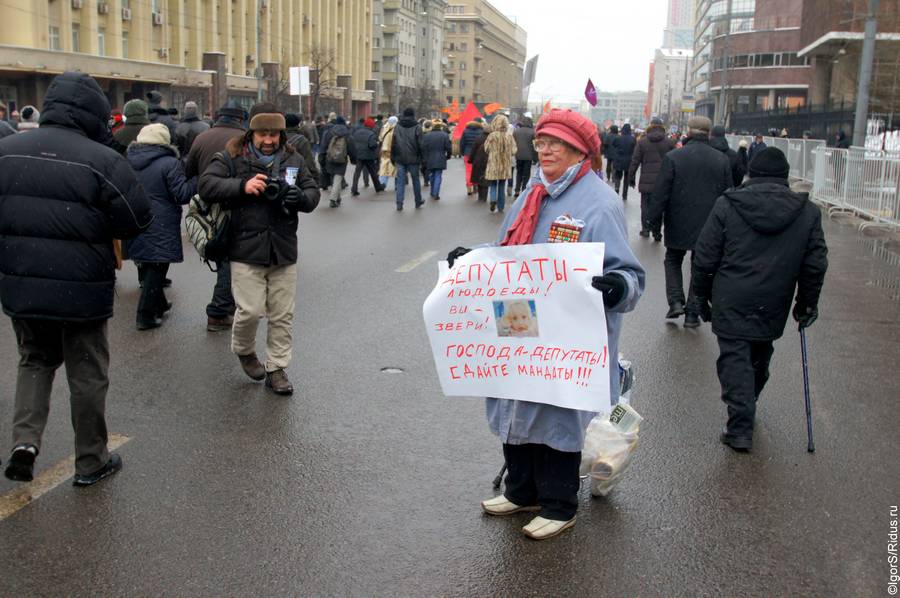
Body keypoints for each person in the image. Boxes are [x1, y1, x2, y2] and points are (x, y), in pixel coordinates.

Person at [446, 109, 644, 540]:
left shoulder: (599, 202)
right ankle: (522, 491)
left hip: (567, 334)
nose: (545, 149)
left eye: (556, 143)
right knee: (516, 400)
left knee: (556, 414)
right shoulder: (533, 191)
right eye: (541, 142)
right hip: (519, 321)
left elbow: (631, 276)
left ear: (580, 151)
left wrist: (616, 286)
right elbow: (508, 251)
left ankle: (559, 503)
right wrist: (473, 256)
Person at [0, 72, 152, 485]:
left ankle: (25, 442)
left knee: (34, 359)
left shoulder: (6, 151)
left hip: (23, 282)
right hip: (82, 288)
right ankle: (90, 461)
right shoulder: (103, 160)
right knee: (86, 373)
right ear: (94, 114)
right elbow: (137, 220)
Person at [690, 147, 827, 451]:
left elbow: (705, 255)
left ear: (751, 172)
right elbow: (814, 264)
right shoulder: (807, 212)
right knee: (759, 353)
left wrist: (700, 295)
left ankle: (740, 423)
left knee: (734, 356)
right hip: (774, 296)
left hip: (731, 293)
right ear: (785, 176)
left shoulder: (728, 204)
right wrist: (806, 304)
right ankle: (747, 402)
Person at [199, 103, 320, 395]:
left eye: (274, 134)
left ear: (281, 134)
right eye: (262, 134)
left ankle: (277, 369)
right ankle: (244, 350)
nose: (268, 140)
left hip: (283, 248)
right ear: (251, 133)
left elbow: (313, 192)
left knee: (282, 314)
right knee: (251, 311)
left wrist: (298, 197)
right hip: (244, 248)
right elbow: (206, 184)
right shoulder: (232, 157)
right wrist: (242, 186)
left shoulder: (293, 159)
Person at [647, 115, 731, 327]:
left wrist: (653, 220)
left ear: (689, 132)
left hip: (678, 219)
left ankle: (676, 301)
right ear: (709, 133)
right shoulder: (721, 160)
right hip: (710, 222)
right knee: (700, 265)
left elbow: (661, 192)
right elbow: (729, 195)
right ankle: (693, 312)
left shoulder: (674, 157)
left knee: (673, 259)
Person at [126, 123, 198, 330]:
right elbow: (182, 194)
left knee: (149, 263)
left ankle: (160, 304)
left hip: (135, 217)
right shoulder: (169, 163)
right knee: (157, 266)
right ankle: (145, 315)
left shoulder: (127, 160)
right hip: (161, 221)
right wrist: (197, 181)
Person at [185, 100, 248, 332]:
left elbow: (188, 171)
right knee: (229, 258)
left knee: (223, 252)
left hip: (209, 201)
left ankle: (225, 306)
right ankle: (219, 310)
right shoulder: (244, 138)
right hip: (236, 202)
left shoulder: (202, 137)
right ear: (240, 118)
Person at [628, 117, 675, 240]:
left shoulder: (643, 142)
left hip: (646, 181)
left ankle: (645, 229)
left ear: (650, 126)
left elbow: (635, 161)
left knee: (645, 206)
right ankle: (657, 232)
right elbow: (675, 161)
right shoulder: (669, 143)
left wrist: (631, 177)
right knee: (659, 207)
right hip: (663, 182)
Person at [318, 115, 357, 208]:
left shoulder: (328, 132)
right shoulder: (347, 133)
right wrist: (353, 159)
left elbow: (323, 146)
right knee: (338, 178)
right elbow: (352, 147)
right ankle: (333, 199)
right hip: (342, 160)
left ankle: (336, 197)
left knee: (333, 178)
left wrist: (321, 158)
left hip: (329, 158)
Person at [391, 107, 424, 211]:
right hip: (414, 158)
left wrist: (393, 156)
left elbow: (394, 143)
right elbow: (421, 144)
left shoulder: (397, 126)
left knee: (400, 181)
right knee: (415, 180)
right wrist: (422, 158)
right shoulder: (417, 127)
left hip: (400, 158)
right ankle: (418, 201)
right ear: (413, 115)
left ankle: (399, 203)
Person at [484, 114, 516, 213]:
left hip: (493, 163)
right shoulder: (509, 136)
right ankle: (501, 206)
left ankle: (493, 200)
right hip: (505, 164)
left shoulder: (492, 136)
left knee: (493, 183)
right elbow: (514, 151)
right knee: (502, 185)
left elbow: (486, 148)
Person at [350, 117, 384, 196]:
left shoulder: (357, 132)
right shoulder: (371, 134)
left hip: (359, 155)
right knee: (373, 173)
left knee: (357, 173)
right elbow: (372, 145)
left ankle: (354, 188)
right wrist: (377, 144)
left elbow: (353, 142)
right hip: (368, 156)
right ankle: (378, 187)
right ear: (371, 126)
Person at [420, 119, 452, 200]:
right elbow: (448, 147)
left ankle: (432, 191)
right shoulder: (444, 135)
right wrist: (448, 156)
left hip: (429, 158)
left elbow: (423, 147)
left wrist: (424, 158)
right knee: (438, 175)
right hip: (441, 157)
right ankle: (436, 193)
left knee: (431, 174)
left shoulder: (427, 135)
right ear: (440, 127)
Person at [285, 113, 319, 177]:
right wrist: (315, 175)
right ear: (297, 124)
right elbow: (309, 162)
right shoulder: (302, 140)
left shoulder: (278, 138)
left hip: (279, 173)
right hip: (297, 174)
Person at [611, 123, 636, 200]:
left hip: (619, 160)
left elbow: (613, 144)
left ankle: (617, 189)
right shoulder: (633, 139)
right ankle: (624, 194)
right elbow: (634, 148)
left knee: (618, 176)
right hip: (629, 160)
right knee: (626, 178)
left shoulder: (618, 138)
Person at [460, 117, 485, 195]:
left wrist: (462, 152)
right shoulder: (481, 131)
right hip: (478, 153)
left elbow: (462, 143)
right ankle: (475, 185)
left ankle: (469, 187)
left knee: (468, 170)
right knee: (477, 170)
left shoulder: (465, 131)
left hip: (468, 153)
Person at [513, 115, 537, 195]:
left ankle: (516, 189)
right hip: (528, 156)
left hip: (518, 155)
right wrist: (535, 158)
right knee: (526, 174)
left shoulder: (516, 131)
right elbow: (535, 146)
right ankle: (524, 190)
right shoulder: (533, 132)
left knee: (519, 172)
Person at [378, 115, 398, 190]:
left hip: (384, 150)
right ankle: (397, 185)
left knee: (384, 167)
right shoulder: (397, 128)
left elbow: (380, 138)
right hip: (394, 151)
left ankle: (382, 183)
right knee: (396, 168)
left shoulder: (384, 128)